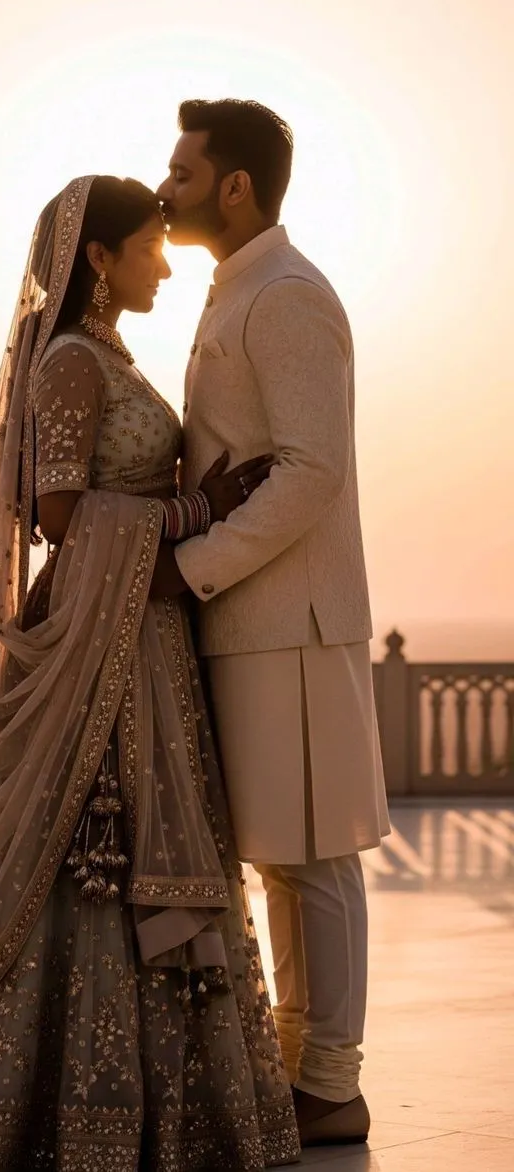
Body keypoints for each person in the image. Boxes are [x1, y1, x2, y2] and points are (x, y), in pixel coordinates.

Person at [0, 173, 300, 1170]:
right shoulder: (70, 359)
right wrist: (197, 514)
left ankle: (164, 1104)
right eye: (148, 243)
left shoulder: (109, 354)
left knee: (137, 844)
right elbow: (59, 513)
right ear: (97, 261)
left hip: (143, 642)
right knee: (84, 846)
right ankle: (44, 1108)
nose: (163, 258)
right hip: (101, 649)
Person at [157, 101, 391, 1148]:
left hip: (287, 622)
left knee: (316, 858)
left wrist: (191, 565)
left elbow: (309, 473)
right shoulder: (235, 290)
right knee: (279, 859)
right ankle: (298, 1071)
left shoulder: (287, 297)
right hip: (247, 622)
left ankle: (332, 1083)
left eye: (182, 170)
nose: (165, 187)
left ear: (235, 184)